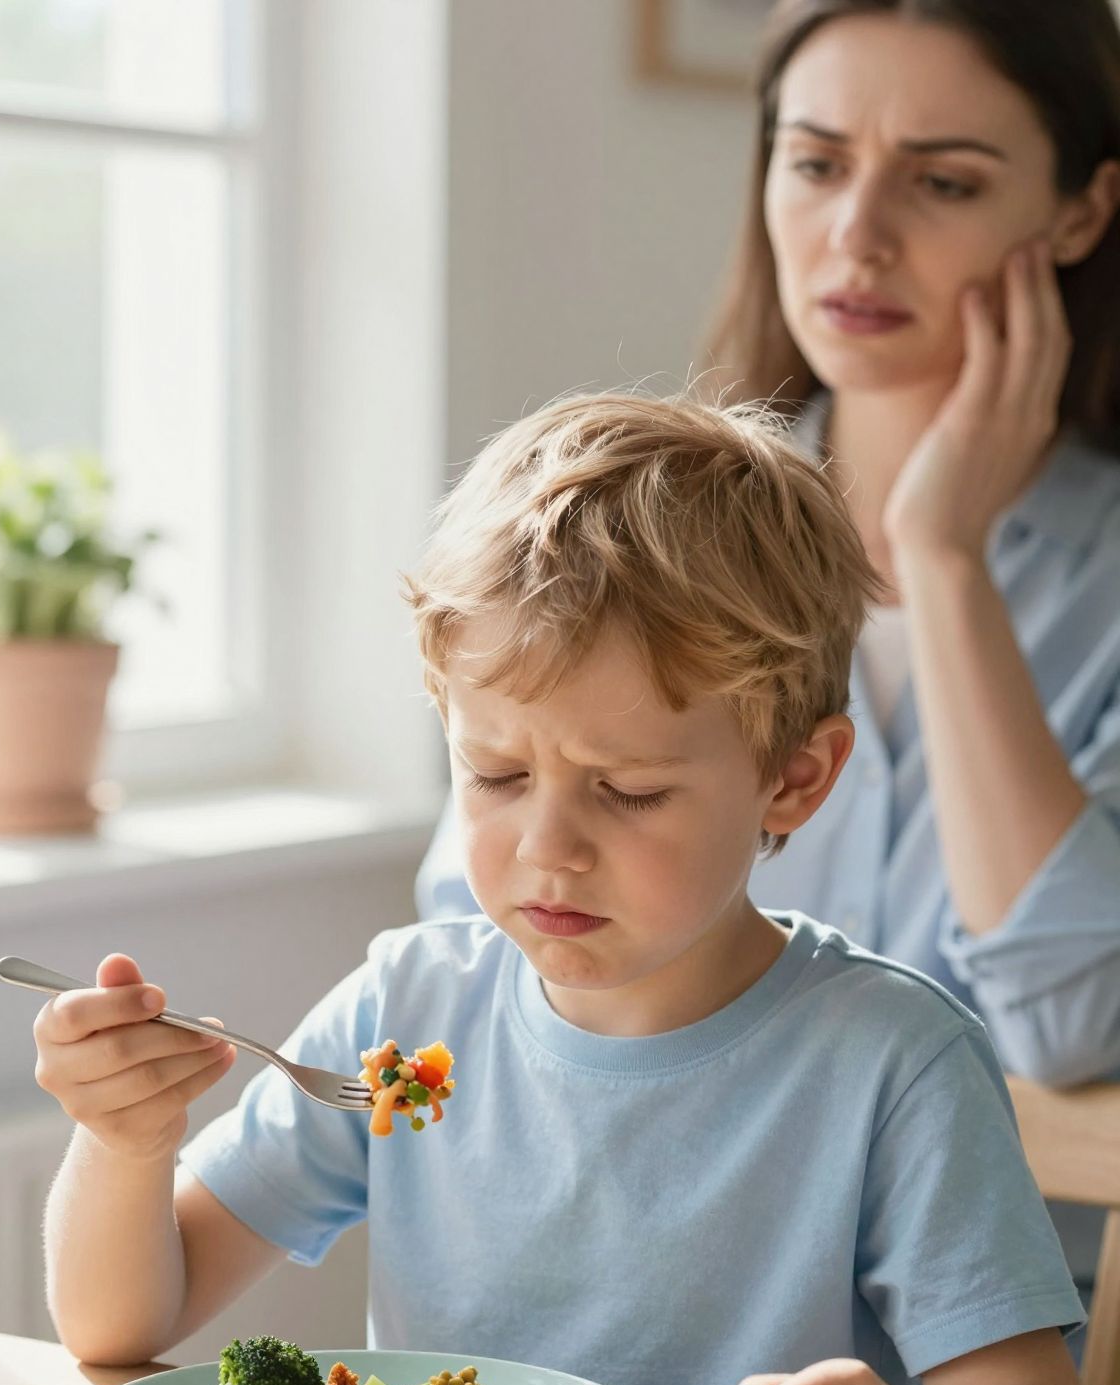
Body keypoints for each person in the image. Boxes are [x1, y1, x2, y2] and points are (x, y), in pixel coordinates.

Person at [33, 392, 1107, 1385]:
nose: (547, 846)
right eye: (496, 771)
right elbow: (124, 1320)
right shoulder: (414, 1021)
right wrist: (120, 1144)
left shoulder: (887, 1061)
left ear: (795, 779)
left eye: (628, 790)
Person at [415, 0, 1120, 1295]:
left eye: (945, 182)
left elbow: (1072, 1027)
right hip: (642, 1302)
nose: (858, 235)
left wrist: (942, 560)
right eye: (816, 162)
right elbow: (471, 936)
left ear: (1080, 211)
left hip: (995, 1351)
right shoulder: (653, 534)